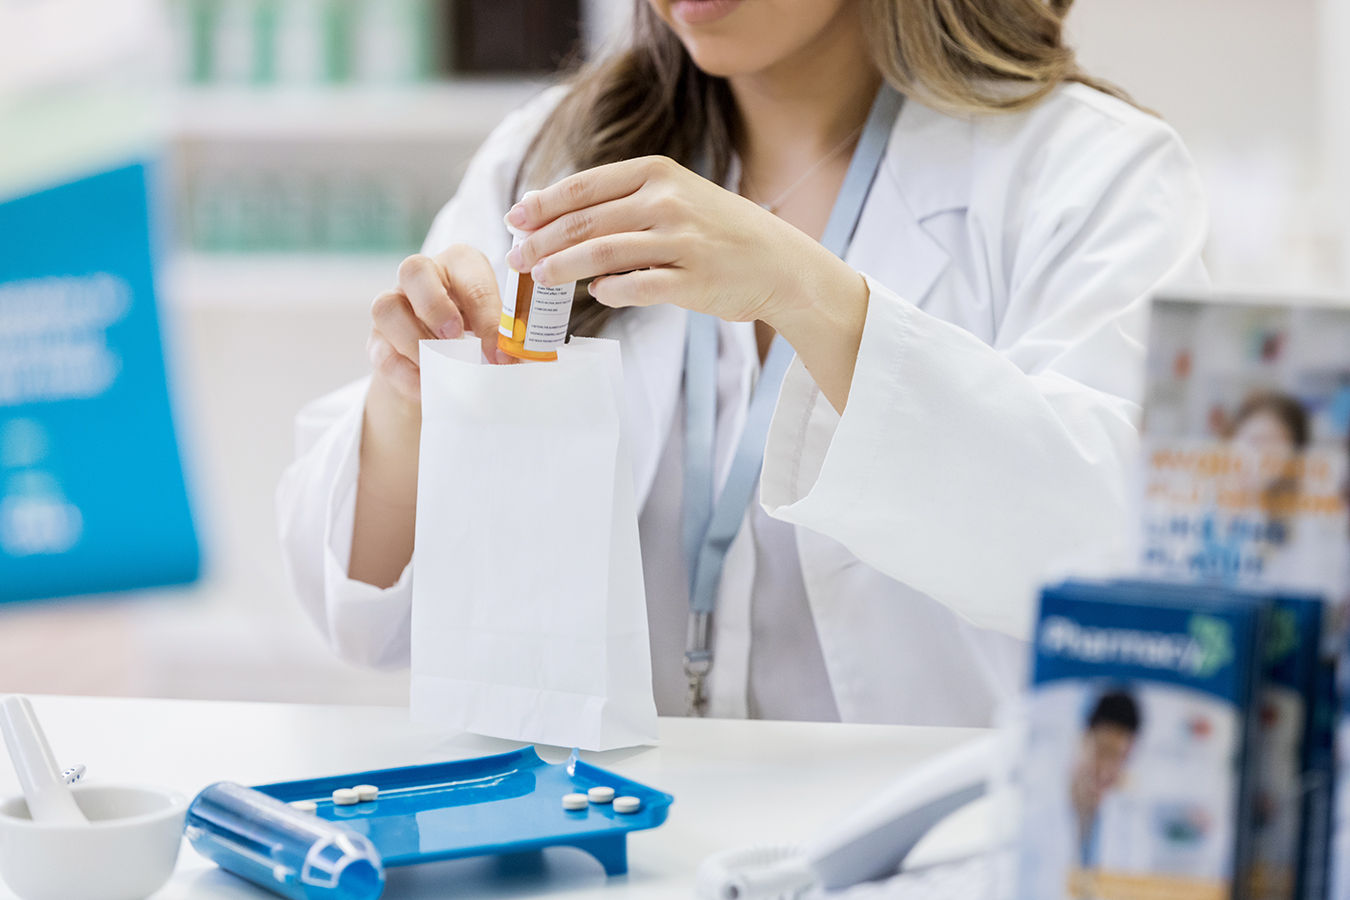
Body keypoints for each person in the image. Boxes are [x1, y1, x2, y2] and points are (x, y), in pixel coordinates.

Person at [277, 0, 1207, 725]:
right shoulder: (552, 153)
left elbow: (1124, 557)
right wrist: (411, 407)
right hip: (626, 845)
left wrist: (811, 297)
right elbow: (366, 620)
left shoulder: (1087, 171)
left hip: (940, 853)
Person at [1069, 691, 1141, 873]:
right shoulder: (1042, 812)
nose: (1107, 770)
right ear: (1084, 739)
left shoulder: (1125, 825)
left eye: (1120, 758)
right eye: (1103, 751)